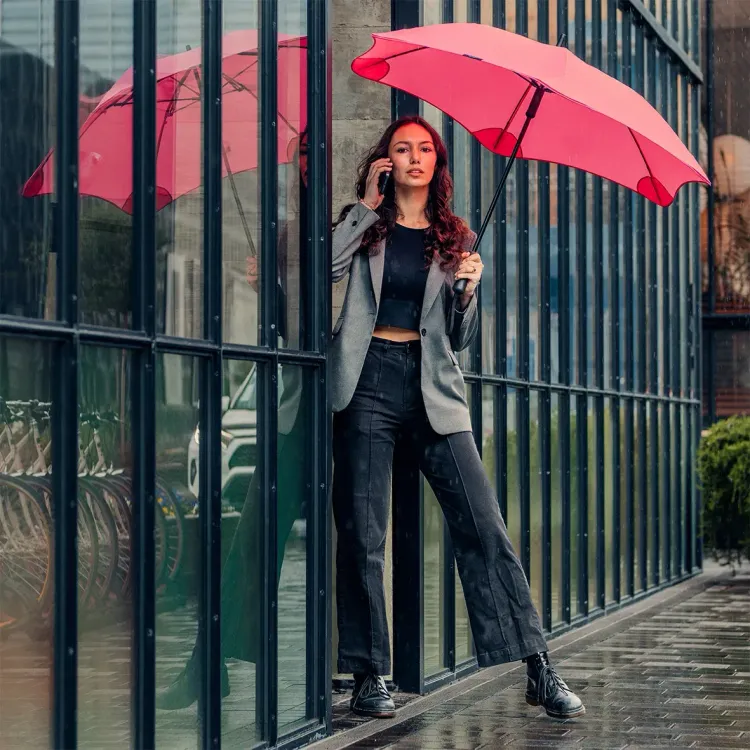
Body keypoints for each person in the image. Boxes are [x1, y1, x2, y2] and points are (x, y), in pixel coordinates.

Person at [330, 115, 585, 721]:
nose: (414, 157)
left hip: (434, 389)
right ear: (384, 162)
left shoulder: (456, 236)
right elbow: (326, 269)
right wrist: (365, 205)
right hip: (366, 383)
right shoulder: (362, 224)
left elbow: (462, 338)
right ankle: (369, 676)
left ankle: (537, 667)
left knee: (485, 527)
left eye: (425, 148)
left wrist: (470, 290)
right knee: (364, 538)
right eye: (402, 149)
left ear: (437, 163)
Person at [156, 131, 309, 711]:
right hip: (297, 412)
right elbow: (288, 332)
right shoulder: (286, 235)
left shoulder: (361, 226)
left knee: (358, 546)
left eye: (316, 157)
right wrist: (263, 286)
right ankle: (207, 664)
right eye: (298, 158)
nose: (306, 167)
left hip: (361, 408)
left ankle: (362, 672)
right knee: (247, 543)